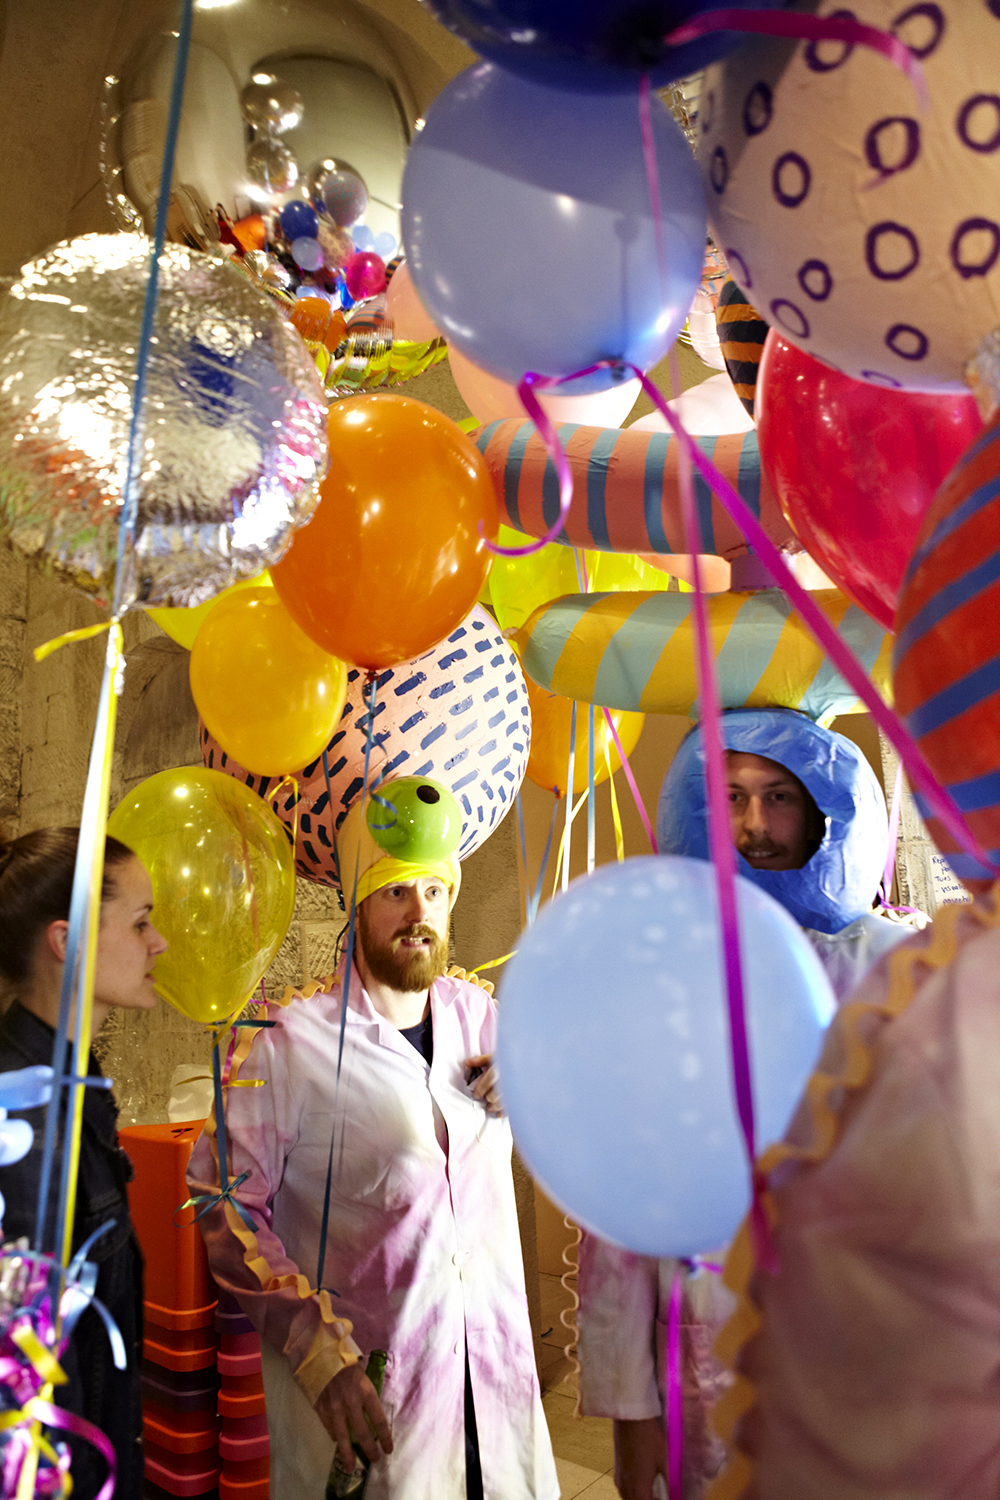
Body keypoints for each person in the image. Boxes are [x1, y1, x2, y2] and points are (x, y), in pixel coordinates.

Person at [577, 707, 921, 1500]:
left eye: (779, 796)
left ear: (826, 809)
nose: (754, 824)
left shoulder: (896, 970)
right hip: (710, 1359)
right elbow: (623, 1208)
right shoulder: (668, 975)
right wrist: (633, 1419)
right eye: (731, 796)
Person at [187, 797, 559, 1500]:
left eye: (434, 891)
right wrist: (313, 1349)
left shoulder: (486, 1018)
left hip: (497, 1389)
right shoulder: (290, 1045)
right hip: (375, 1401)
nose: (418, 911)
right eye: (394, 891)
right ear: (358, 907)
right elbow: (219, 1201)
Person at [0, 826, 168, 1500]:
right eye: (140, 922)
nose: (157, 942)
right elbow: (26, 1402)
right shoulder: (27, 1130)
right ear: (66, 944)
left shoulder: (73, 1091)